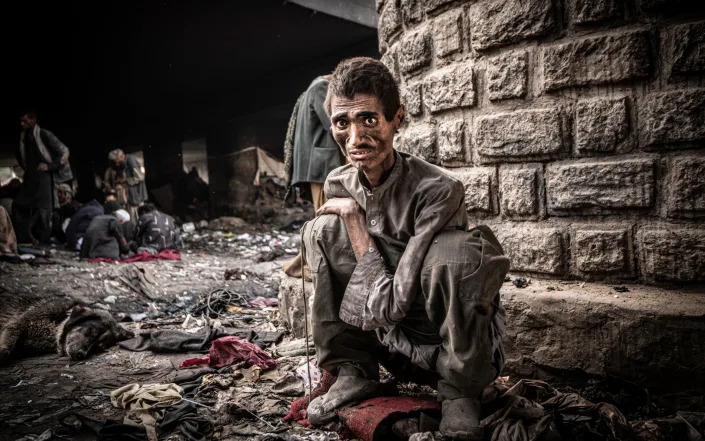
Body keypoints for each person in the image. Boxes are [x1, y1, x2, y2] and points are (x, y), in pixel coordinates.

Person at [301, 57, 510, 441]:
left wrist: (355, 221)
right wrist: (343, 220)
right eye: (342, 123)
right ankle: (355, 370)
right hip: (386, 341)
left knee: (457, 255)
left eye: (368, 119)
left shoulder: (438, 190)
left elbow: (394, 304)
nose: (355, 138)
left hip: (439, 344)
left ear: (398, 118)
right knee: (322, 230)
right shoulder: (338, 183)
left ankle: (459, 391)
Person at [282, 75, 346, 278]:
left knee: (326, 220)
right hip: (322, 165)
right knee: (326, 221)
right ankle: (307, 266)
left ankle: (314, 264)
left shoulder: (312, 88)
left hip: (319, 164)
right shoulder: (321, 87)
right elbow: (334, 124)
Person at [13, 111, 73, 245]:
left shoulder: (44, 134)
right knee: (18, 205)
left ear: (33, 120)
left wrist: (50, 166)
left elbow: (64, 151)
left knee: (44, 211)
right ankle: (25, 238)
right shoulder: (23, 137)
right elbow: (21, 156)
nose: (22, 124)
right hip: (30, 178)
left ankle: (44, 243)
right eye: (21, 121)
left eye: (25, 121)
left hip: (43, 178)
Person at [105, 149, 148, 221]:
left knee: (137, 216)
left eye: (116, 160)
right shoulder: (124, 163)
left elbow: (140, 177)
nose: (116, 163)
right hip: (131, 195)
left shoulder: (131, 160)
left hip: (136, 194)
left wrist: (126, 180)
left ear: (121, 157)